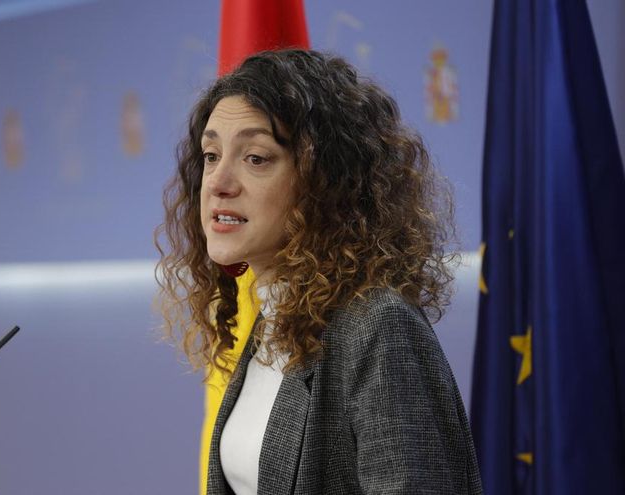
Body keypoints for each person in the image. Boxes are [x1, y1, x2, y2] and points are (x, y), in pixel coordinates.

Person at [156, 49, 482, 494]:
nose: (217, 182)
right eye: (211, 155)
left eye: (255, 158)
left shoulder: (377, 327)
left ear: (325, 181)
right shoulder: (273, 319)